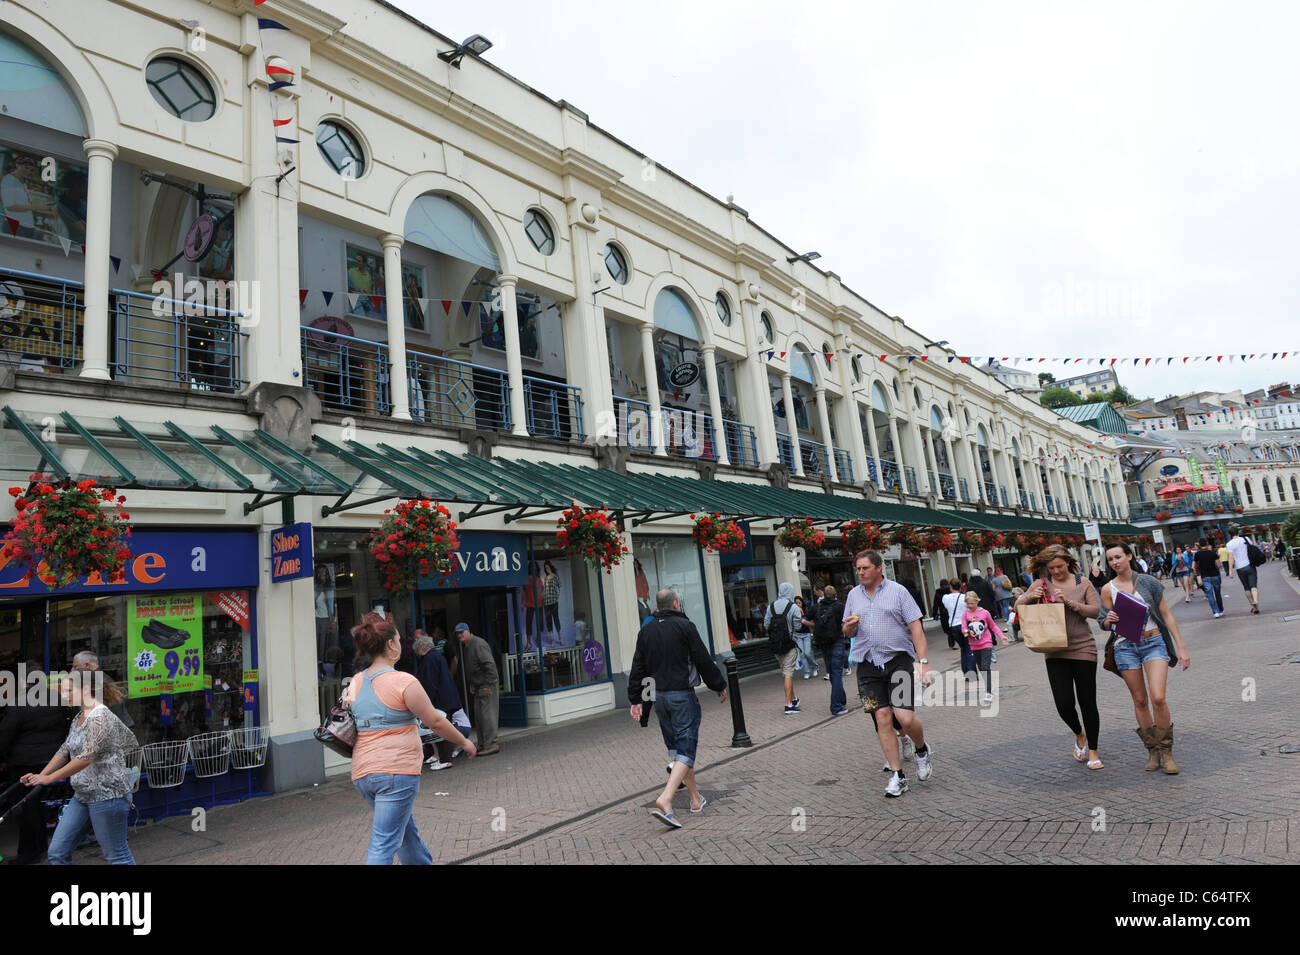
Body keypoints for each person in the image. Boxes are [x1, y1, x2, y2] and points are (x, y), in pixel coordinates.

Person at [343, 613, 475, 864]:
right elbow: (435, 721)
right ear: (391, 645)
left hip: (363, 772)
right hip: (395, 771)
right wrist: (464, 741)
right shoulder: (404, 681)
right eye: (398, 640)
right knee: (383, 843)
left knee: (404, 832)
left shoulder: (356, 682)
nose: (402, 645)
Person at [628, 588, 727, 828]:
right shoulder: (685, 627)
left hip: (659, 698)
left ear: (658, 606)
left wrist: (636, 700)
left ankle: (695, 800)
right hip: (682, 695)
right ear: (675, 604)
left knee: (676, 749)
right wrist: (718, 684)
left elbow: (638, 666)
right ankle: (666, 798)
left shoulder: (646, 631)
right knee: (686, 747)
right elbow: (702, 658)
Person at [842, 550, 935, 798]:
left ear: (878, 568)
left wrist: (923, 662)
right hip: (868, 665)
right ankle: (898, 775)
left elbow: (916, 628)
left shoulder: (898, 592)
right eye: (858, 568)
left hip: (898, 662)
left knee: (904, 719)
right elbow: (847, 630)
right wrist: (848, 628)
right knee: (882, 718)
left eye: (865, 568)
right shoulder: (853, 595)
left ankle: (922, 749)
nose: (860, 572)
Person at [22, 671, 138, 865]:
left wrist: (49, 779)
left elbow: (86, 758)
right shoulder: (79, 717)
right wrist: (40, 776)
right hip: (83, 796)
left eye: (68, 690)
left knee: (117, 856)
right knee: (57, 853)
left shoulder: (101, 716)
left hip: (108, 797)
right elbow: (65, 749)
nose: (64, 694)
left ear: (85, 689)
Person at [1100, 542, 1190, 774]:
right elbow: (1104, 622)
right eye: (1110, 559)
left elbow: (1167, 615)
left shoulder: (1148, 582)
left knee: (1158, 698)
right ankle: (1152, 750)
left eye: (1118, 557)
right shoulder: (1108, 589)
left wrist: (1181, 647)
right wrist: (1109, 619)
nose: (1115, 562)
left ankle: (1167, 750)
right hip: (1125, 646)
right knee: (1140, 700)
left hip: (1153, 642)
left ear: (1129, 556)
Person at [1015, 544, 1104, 770]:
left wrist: (1071, 603)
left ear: (1068, 562)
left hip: (1083, 648)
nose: (1056, 572)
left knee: (1087, 702)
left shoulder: (1082, 583)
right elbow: (1017, 606)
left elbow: (1095, 611)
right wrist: (1029, 597)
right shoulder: (1041, 584)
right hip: (1054, 650)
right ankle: (1079, 733)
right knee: (1063, 703)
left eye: (1059, 567)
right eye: (1051, 568)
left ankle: (1093, 750)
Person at [0, 689, 68, 865]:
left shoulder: (19, 703)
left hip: (25, 763)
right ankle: (41, 847)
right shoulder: (56, 700)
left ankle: (29, 852)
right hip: (52, 760)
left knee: (26, 808)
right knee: (39, 806)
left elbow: (5, 733)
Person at [413, 631, 470, 769]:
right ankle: (443, 758)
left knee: (441, 730)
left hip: (440, 701)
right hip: (447, 699)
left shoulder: (429, 660)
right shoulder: (437, 657)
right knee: (443, 728)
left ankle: (444, 759)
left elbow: (429, 683)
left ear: (421, 649)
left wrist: (427, 703)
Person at [457, 622, 501, 755]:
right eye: (458, 634)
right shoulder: (468, 646)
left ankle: (491, 744)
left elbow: (490, 666)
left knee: (488, 716)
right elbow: (474, 667)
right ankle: (483, 744)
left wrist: (488, 684)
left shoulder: (478, 644)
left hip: (486, 685)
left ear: (468, 631)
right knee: (480, 716)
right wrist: (473, 683)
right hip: (478, 685)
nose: (459, 635)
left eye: (461, 632)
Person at [961, 591, 1009, 704]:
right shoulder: (965, 615)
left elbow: (993, 626)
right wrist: (968, 632)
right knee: (981, 668)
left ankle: (988, 693)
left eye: (972, 603)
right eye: (967, 604)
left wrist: (1002, 637)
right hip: (974, 645)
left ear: (977, 601)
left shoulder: (985, 613)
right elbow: (963, 628)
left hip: (986, 643)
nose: (970, 606)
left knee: (985, 666)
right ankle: (989, 686)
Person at [764, 582, 803, 714]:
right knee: (788, 673)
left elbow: (766, 625)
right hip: (789, 644)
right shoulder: (793, 607)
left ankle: (794, 699)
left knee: (786, 673)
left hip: (775, 645)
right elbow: (797, 627)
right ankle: (788, 705)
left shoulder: (771, 606)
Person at [811, 584, 847, 715]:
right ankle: (836, 707)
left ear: (824, 595)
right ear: (835, 594)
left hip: (823, 643)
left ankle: (841, 699)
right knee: (837, 673)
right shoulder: (840, 606)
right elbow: (846, 622)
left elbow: (803, 620)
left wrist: (814, 627)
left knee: (832, 673)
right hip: (837, 641)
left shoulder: (817, 607)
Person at [1225, 525, 1261, 615]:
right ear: (1238, 532)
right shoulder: (1246, 539)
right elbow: (1252, 549)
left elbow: (1231, 558)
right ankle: (1255, 600)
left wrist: (1230, 571)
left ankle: (1254, 607)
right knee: (1253, 585)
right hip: (1249, 565)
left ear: (1230, 534)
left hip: (1239, 568)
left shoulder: (1229, 544)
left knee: (1246, 587)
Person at [941, 578, 972, 672]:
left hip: (953, 626)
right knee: (969, 649)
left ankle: (966, 671)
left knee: (963, 648)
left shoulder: (945, 598)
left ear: (950, 587)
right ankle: (971, 672)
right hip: (965, 625)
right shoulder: (965, 598)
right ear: (961, 587)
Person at [1192, 539, 1225, 618]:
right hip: (1215, 575)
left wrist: (1198, 572)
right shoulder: (1212, 553)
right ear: (1207, 544)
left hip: (1205, 576)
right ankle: (1221, 610)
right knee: (1217, 594)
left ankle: (1215, 612)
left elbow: (1195, 566)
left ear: (1199, 544)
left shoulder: (1197, 554)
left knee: (1210, 595)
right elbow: (1219, 565)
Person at [791, 594, 819, 680]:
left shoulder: (807, 610)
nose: (798, 605)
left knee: (808, 652)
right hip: (797, 635)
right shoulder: (792, 612)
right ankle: (807, 672)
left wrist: (802, 613)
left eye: (799, 603)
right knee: (802, 654)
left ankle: (815, 667)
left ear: (802, 603)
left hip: (806, 634)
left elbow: (808, 622)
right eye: (796, 603)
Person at [542, 561, 562, 647]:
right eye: (545, 568)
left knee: (556, 619)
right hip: (546, 602)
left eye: (548, 567)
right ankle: (553, 640)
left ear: (551, 567)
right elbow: (545, 590)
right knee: (548, 621)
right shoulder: (546, 578)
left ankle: (561, 638)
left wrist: (558, 599)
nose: (547, 569)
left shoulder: (555, 577)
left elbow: (560, 588)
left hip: (554, 601)